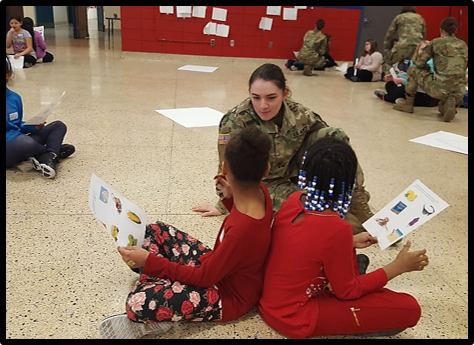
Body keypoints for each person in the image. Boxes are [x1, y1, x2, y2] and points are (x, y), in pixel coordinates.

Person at [98, 125, 274, 339]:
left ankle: (154, 285)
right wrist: (229, 196)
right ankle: (157, 278)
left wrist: (151, 262)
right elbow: (236, 238)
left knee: (137, 303)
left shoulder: (241, 231)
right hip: (218, 266)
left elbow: (205, 277)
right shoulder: (261, 191)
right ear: (266, 170)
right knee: (154, 230)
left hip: (228, 297)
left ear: (224, 167)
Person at [258, 137, 428, 339]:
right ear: (349, 184)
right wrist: (398, 266)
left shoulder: (293, 200)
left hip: (272, 300)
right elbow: (347, 292)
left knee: (360, 269)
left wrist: (350, 243)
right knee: (408, 308)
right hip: (295, 315)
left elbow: (306, 242)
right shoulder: (336, 229)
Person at [192, 63, 374, 235]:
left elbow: (330, 147)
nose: (263, 105)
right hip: (264, 183)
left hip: (295, 169)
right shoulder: (236, 121)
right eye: (256, 97)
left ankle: (355, 196)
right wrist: (224, 203)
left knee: (335, 135)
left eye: (271, 98)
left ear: (285, 93)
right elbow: (227, 165)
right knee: (319, 215)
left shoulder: (299, 113)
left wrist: (331, 176)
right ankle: (353, 225)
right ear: (249, 94)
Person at [6, 52, 75, 177]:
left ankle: (47, 155)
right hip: (12, 147)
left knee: (58, 126)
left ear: (8, 75)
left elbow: (16, 125)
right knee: (24, 142)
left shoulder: (15, 98)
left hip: (22, 140)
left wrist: (33, 126)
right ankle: (52, 153)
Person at [393, 17, 468, 122]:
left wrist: (426, 68)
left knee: (413, 69)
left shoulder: (435, 43)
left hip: (440, 87)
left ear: (441, 30)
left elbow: (419, 63)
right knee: (451, 81)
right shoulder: (463, 45)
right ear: (455, 30)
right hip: (459, 90)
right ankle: (448, 105)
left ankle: (408, 104)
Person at [374, 42, 439, 107]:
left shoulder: (431, 63)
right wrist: (396, 77)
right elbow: (410, 77)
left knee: (402, 89)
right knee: (390, 84)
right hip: (414, 90)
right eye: (422, 49)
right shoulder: (413, 62)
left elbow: (421, 85)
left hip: (426, 94)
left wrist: (402, 81)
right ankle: (400, 99)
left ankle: (386, 97)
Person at [381, 6, 427, 75]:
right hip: (418, 46)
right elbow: (424, 34)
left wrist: (386, 51)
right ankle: (413, 81)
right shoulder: (420, 18)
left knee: (385, 62)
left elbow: (389, 35)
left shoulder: (399, 17)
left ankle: (393, 77)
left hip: (403, 45)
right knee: (418, 65)